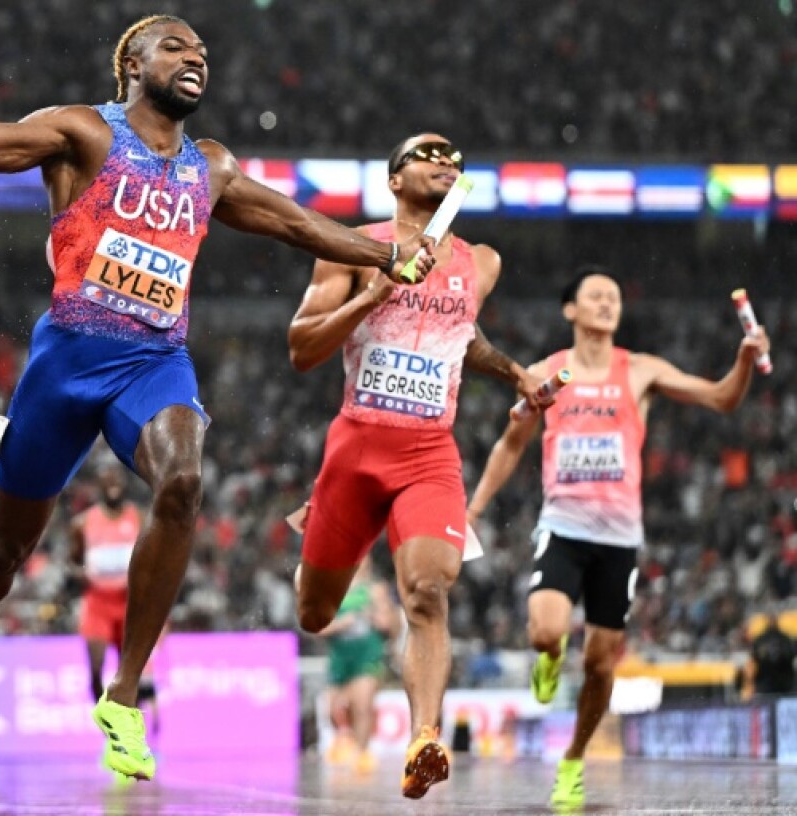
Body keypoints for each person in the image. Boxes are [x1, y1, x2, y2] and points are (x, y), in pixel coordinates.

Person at [0, 14, 435, 781]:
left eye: (203, 51)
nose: (196, 57)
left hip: (156, 361)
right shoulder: (83, 133)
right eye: (176, 46)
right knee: (4, 550)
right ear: (132, 63)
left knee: (182, 481)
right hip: (66, 361)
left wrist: (384, 253)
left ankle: (121, 697)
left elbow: (290, 221)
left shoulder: (208, 166)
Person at [288, 132, 546, 799]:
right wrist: (374, 292)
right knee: (314, 613)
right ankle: (316, 539)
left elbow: (466, 338)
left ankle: (423, 736)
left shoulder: (480, 262)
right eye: (427, 155)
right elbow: (301, 348)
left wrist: (514, 370)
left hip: (429, 452)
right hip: (356, 446)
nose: (444, 163)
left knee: (428, 593)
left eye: (454, 161)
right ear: (395, 180)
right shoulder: (352, 245)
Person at [466, 266, 771, 808]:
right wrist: (475, 507)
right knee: (544, 630)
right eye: (595, 296)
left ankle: (574, 759)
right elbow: (511, 445)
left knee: (602, 664)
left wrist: (744, 360)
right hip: (563, 526)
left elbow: (721, 399)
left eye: (614, 297)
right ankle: (549, 656)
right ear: (571, 310)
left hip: (618, 539)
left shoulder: (641, 371)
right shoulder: (547, 372)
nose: (608, 303)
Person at [69, 461, 144, 704]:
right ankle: (106, 724)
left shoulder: (138, 518)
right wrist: (83, 573)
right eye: (107, 480)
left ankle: (127, 724)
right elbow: (73, 562)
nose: (113, 485)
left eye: (117, 480)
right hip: (98, 603)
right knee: (95, 672)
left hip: (129, 604)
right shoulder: (82, 523)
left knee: (131, 674)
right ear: (98, 486)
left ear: (124, 484)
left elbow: (149, 557)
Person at [318, 557, 397, 776]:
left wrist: (376, 615)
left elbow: (388, 625)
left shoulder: (376, 590)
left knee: (362, 706)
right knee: (333, 711)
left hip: (367, 655)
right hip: (340, 657)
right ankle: (349, 741)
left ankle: (361, 753)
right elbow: (318, 627)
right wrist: (343, 623)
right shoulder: (332, 589)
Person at [742, 613, 795, 699]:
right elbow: (754, 656)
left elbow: (791, 654)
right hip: (767, 679)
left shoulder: (785, 638)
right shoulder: (761, 639)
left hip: (782, 679)